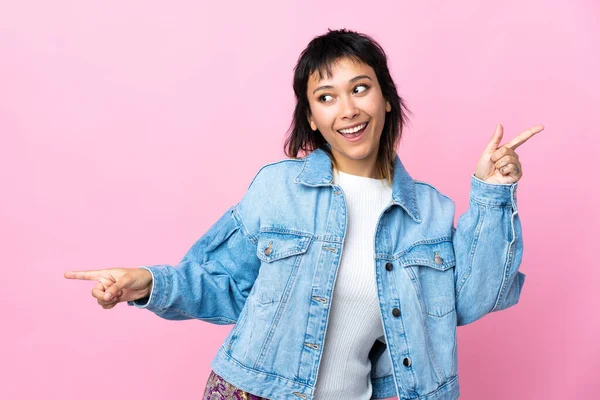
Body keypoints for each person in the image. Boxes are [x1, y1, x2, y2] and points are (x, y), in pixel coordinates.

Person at [64, 29, 543, 400]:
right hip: (253, 391)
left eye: (361, 88)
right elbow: (225, 286)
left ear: (386, 97)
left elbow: (471, 300)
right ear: (312, 117)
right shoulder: (277, 189)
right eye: (326, 96)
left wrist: (492, 195)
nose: (348, 109)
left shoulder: (430, 213)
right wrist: (147, 282)